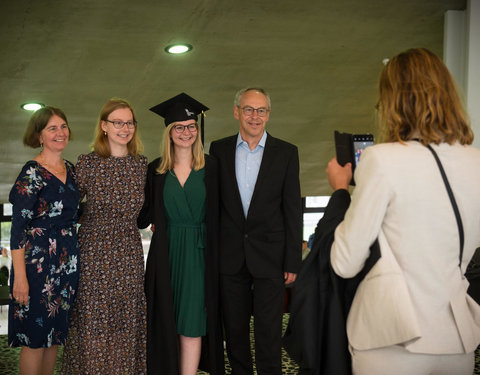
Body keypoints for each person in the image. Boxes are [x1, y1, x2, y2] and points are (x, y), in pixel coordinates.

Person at [327, 48, 480, 375]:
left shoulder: (381, 159)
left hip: (392, 335)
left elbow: (345, 261)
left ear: (394, 100)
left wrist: (342, 189)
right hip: (456, 338)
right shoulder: (476, 162)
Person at [209, 87, 302, 375]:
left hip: (271, 257)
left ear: (268, 115)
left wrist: (292, 261)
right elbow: (213, 206)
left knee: (269, 332)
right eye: (248, 109)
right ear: (236, 111)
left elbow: (292, 211)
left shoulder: (287, 153)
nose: (255, 116)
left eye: (261, 110)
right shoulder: (219, 150)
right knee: (234, 333)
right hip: (230, 256)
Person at [138, 93, 223, 375]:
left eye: (191, 126)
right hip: (167, 252)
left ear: (197, 130)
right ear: (169, 132)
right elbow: (142, 215)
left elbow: (223, 212)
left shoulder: (212, 167)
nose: (186, 132)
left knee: (192, 324)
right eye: (179, 127)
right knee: (167, 321)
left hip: (199, 254)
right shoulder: (156, 170)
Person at [61, 98, 147, 374]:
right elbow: (69, 208)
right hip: (94, 253)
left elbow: (150, 210)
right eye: (117, 122)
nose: (124, 128)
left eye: (129, 122)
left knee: (125, 325)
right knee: (94, 324)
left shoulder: (141, 166)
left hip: (129, 252)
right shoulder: (87, 163)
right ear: (104, 126)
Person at [8, 106, 79, 374]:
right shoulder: (32, 172)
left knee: (54, 337)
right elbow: (18, 229)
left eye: (63, 126)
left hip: (67, 263)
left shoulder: (71, 170)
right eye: (52, 128)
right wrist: (21, 278)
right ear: (39, 136)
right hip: (36, 265)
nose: (60, 132)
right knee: (35, 338)